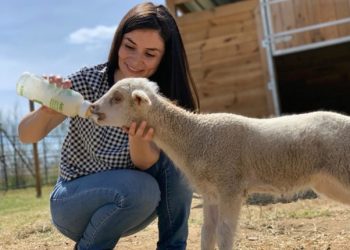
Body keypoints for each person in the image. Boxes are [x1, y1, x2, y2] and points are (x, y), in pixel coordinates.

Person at [18, 2, 199, 250]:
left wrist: (138, 136)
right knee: (142, 189)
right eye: (129, 47)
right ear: (118, 42)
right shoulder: (88, 81)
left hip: (131, 205)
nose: (135, 60)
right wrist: (48, 110)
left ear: (164, 57)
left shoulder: (156, 102)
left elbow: (146, 163)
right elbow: (26, 135)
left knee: (177, 163)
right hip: (73, 201)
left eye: (150, 53)